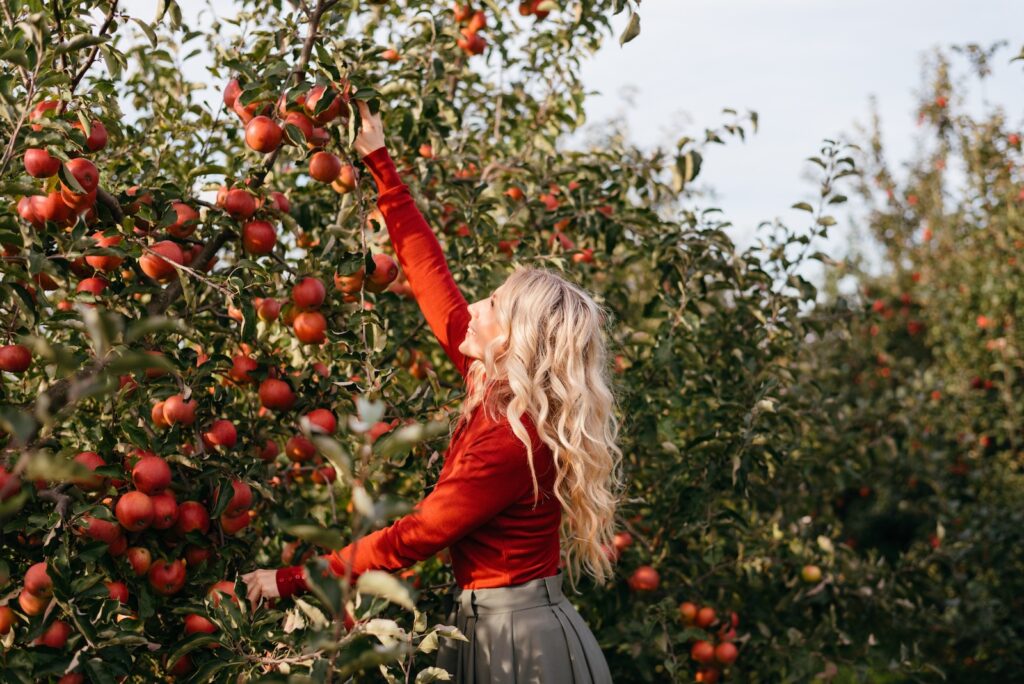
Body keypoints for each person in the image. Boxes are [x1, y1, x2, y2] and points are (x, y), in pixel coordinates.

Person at [243, 100, 622, 683]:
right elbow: (431, 280)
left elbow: (415, 536)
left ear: (515, 341)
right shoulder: (493, 384)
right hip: (488, 628)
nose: (473, 306)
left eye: (492, 305)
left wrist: (293, 578)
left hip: (522, 646)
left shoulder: (510, 438)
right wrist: (380, 164)